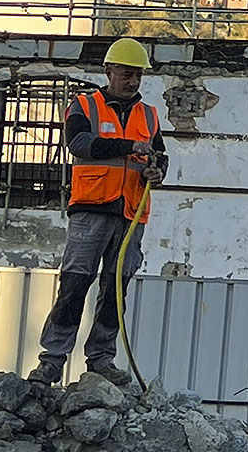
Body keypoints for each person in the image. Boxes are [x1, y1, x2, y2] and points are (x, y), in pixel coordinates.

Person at [28, 38, 167, 385]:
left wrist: (157, 172)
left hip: (131, 213)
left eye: (137, 76)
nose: (132, 82)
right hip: (92, 209)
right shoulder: (84, 107)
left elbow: (159, 157)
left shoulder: (149, 115)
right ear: (109, 72)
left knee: (115, 289)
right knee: (75, 284)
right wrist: (128, 146)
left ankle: (101, 359)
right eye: (126, 74)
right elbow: (78, 144)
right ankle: (52, 360)